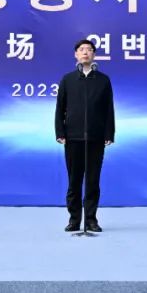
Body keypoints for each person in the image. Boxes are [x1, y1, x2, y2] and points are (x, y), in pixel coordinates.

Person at [54, 39, 116, 232]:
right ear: (76, 54)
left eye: (89, 49)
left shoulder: (103, 80)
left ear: (94, 55)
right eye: (81, 49)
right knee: (74, 181)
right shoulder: (68, 79)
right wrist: (60, 132)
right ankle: (74, 220)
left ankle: (90, 220)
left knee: (92, 181)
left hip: (96, 138)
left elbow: (109, 109)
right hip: (73, 137)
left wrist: (109, 133)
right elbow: (60, 108)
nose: (85, 52)